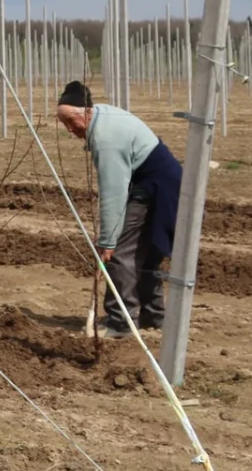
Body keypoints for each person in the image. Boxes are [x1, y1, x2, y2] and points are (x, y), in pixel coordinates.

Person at [55, 80, 183, 336]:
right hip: (164, 182)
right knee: (146, 253)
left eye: (71, 121)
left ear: (87, 112)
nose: (69, 129)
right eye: (63, 123)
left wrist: (107, 241)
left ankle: (121, 322)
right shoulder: (100, 116)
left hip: (154, 186)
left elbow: (113, 193)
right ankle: (153, 316)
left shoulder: (106, 139)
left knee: (120, 253)